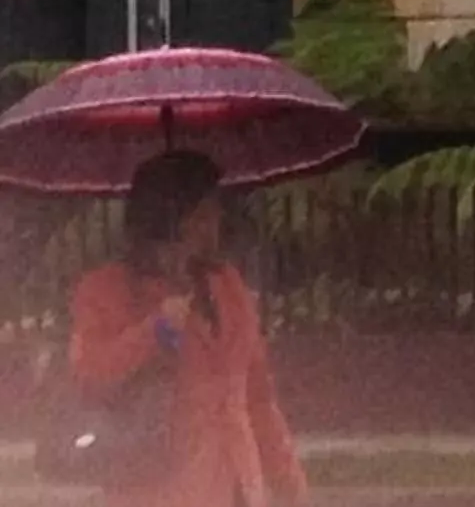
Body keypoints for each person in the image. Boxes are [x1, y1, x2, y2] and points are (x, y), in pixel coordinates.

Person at [66, 151, 308, 507]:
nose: (216, 223)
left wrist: (289, 484)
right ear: (169, 219)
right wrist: (155, 329)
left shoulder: (227, 286)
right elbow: (91, 373)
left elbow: (258, 398)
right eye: (204, 214)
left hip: (235, 485)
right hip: (156, 487)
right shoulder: (108, 290)